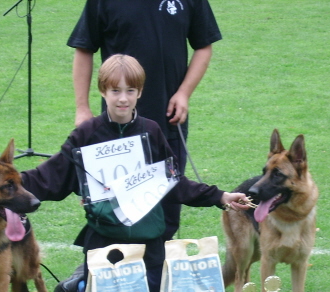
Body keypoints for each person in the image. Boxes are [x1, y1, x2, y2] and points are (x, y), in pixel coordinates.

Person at [20, 55, 248, 292]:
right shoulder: (86, 135)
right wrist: (9, 185)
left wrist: (219, 196)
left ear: (140, 92)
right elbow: (51, 174)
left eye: (130, 90)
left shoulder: (151, 131)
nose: (123, 99)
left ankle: (86, 282)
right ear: (103, 91)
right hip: (104, 236)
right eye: (115, 90)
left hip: (148, 237)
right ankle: (76, 287)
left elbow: (172, 181)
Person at [67, 0, 222, 241]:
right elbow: (84, 47)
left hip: (168, 121)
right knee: (113, 208)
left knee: (167, 205)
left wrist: (184, 93)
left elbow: (204, 45)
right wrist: (82, 108)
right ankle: (111, 272)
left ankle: (158, 273)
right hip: (117, 126)